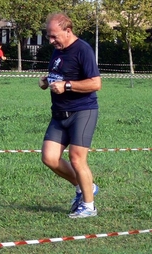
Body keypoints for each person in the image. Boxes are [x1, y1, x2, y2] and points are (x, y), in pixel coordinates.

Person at [38, 12, 102, 218]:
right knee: (49, 157)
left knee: (76, 158)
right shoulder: (58, 51)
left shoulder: (83, 49)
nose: (51, 40)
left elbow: (95, 83)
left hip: (82, 111)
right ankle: (85, 187)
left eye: (54, 36)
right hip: (59, 113)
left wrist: (66, 85)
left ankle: (89, 207)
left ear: (68, 30)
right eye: (49, 36)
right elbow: (60, 74)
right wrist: (47, 80)